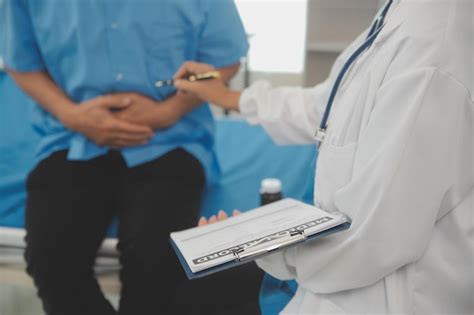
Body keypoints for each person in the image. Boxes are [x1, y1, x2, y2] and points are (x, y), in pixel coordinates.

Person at [173, 0, 473, 313]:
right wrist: (229, 96)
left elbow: (372, 242)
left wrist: (258, 244)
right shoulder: (398, 14)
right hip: (336, 279)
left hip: (380, 295)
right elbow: (331, 104)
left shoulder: (432, 48)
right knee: (192, 295)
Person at [2, 1, 249, 314]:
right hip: (74, 140)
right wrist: (72, 115)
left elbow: (225, 61)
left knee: (157, 268)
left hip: (171, 141)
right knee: (51, 265)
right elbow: (20, 62)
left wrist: (168, 111)